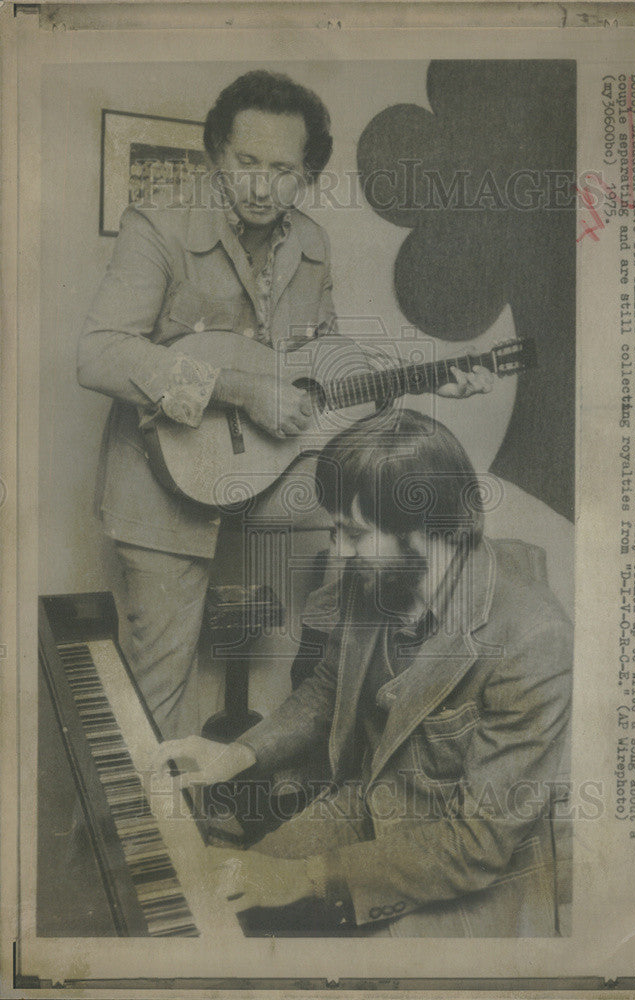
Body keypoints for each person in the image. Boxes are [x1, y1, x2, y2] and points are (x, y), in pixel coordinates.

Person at [78, 70, 493, 741]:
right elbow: (98, 354)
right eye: (245, 163)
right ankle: (148, 835)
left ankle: (306, 738)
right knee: (156, 687)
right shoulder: (156, 227)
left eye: (282, 169)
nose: (262, 186)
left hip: (263, 476)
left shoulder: (311, 244)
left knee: (366, 534)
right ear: (217, 155)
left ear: (305, 173)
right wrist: (240, 391)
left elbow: (320, 361)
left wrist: (419, 377)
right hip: (160, 490)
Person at [152, 409, 573, 938]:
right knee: (223, 902)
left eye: (353, 532)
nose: (340, 550)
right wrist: (236, 754)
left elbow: (477, 844)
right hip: (359, 809)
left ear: (423, 529)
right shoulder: (373, 576)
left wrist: (303, 877)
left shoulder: (535, 639)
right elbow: (328, 689)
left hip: (452, 864)